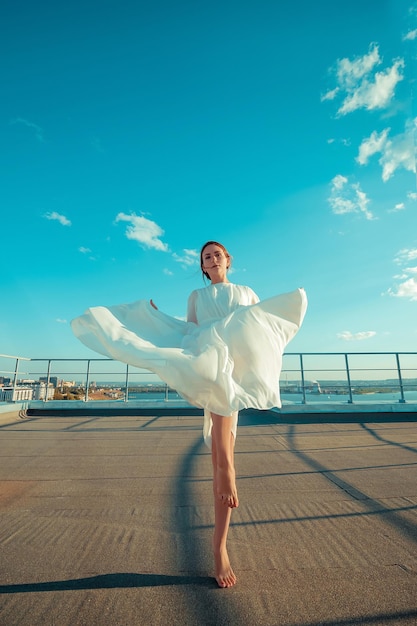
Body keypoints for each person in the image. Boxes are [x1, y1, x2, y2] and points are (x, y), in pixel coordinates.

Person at [71, 240, 307, 589]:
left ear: (228, 260)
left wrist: (237, 338)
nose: (212, 259)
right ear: (203, 266)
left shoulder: (245, 291)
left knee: (219, 445)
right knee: (221, 437)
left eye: (217, 255)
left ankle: (220, 532)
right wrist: (155, 318)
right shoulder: (197, 297)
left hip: (235, 364)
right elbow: (188, 330)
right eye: (205, 257)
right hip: (208, 360)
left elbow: (262, 328)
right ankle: (224, 498)